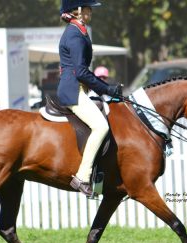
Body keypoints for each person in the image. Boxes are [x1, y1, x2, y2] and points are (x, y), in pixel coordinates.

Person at [58, 0, 123, 197]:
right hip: (73, 90)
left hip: (79, 89)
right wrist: (107, 89)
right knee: (101, 126)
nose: (90, 11)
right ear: (77, 11)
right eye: (87, 8)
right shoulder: (74, 34)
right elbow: (81, 72)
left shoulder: (79, 31)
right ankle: (82, 176)